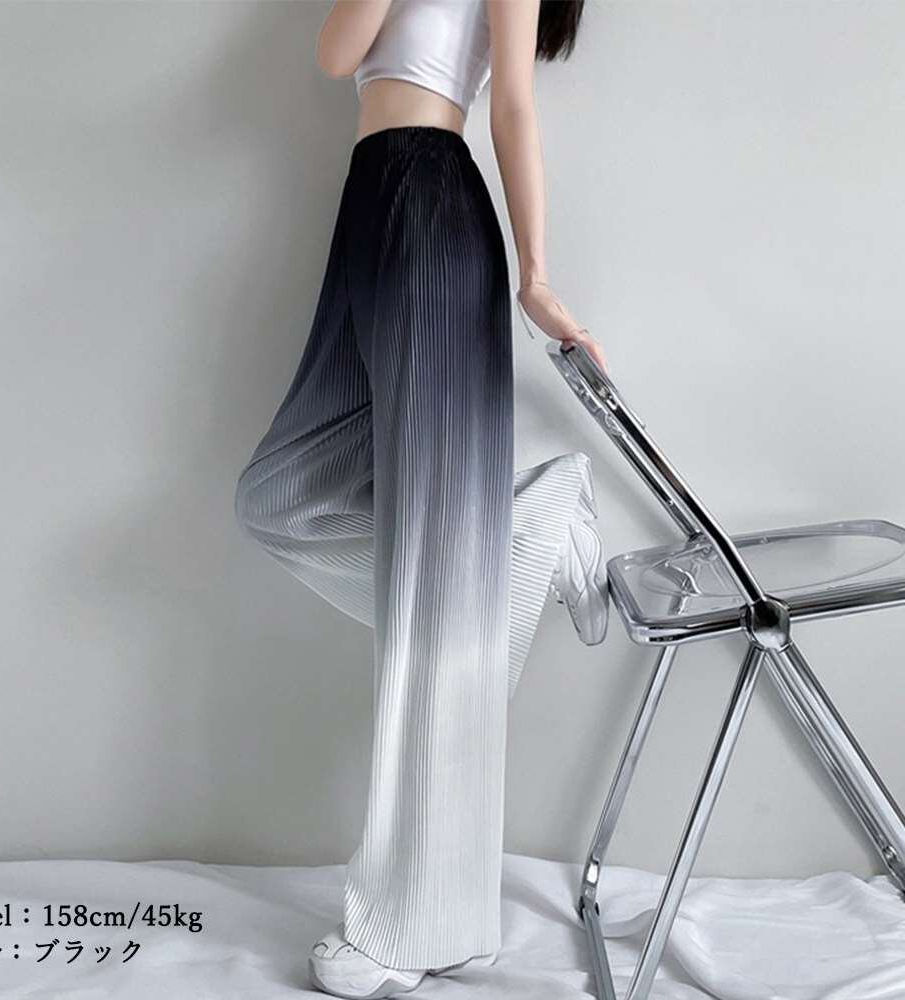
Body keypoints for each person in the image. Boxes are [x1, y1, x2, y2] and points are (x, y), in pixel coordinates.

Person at [235, 1, 610, 996]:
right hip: (370, 205)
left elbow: (513, 102)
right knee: (281, 496)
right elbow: (336, 54)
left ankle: (410, 927)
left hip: (435, 200)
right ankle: (535, 520)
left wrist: (537, 276)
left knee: (429, 601)